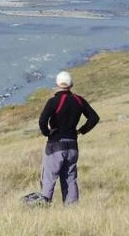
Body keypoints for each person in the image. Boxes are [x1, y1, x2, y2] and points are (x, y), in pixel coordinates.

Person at [37, 70, 100, 204]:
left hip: (55, 144)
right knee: (70, 178)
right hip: (72, 145)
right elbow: (94, 118)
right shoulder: (79, 100)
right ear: (71, 84)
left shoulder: (53, 101)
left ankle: (44, 206)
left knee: (49, 177)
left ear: (57, 84)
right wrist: (81, 131)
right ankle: (72, 209)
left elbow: (42, 121)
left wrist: (47, 133)